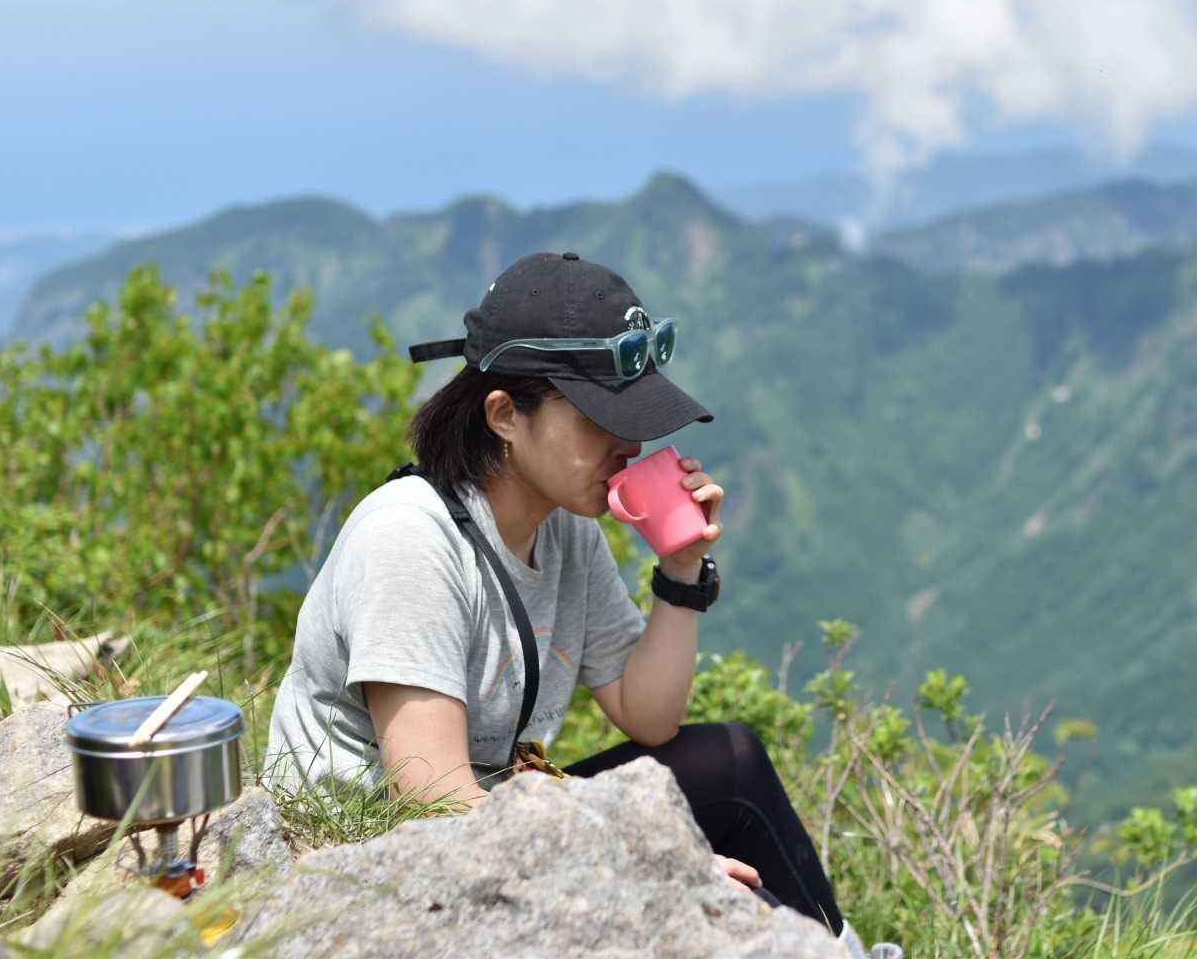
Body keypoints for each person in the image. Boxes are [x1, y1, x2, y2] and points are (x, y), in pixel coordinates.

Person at [266, 252, 899, 958]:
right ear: (504, 415)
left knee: (732, 760)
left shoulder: (566, 530)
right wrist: (646, 867)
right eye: (602, 420)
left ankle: (841, 949)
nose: (630, 445)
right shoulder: (410, 539)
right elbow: (432, 799)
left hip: (490, 816)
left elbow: (648, 715)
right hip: (369, 867)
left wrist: (681, 569)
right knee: (710, 893)